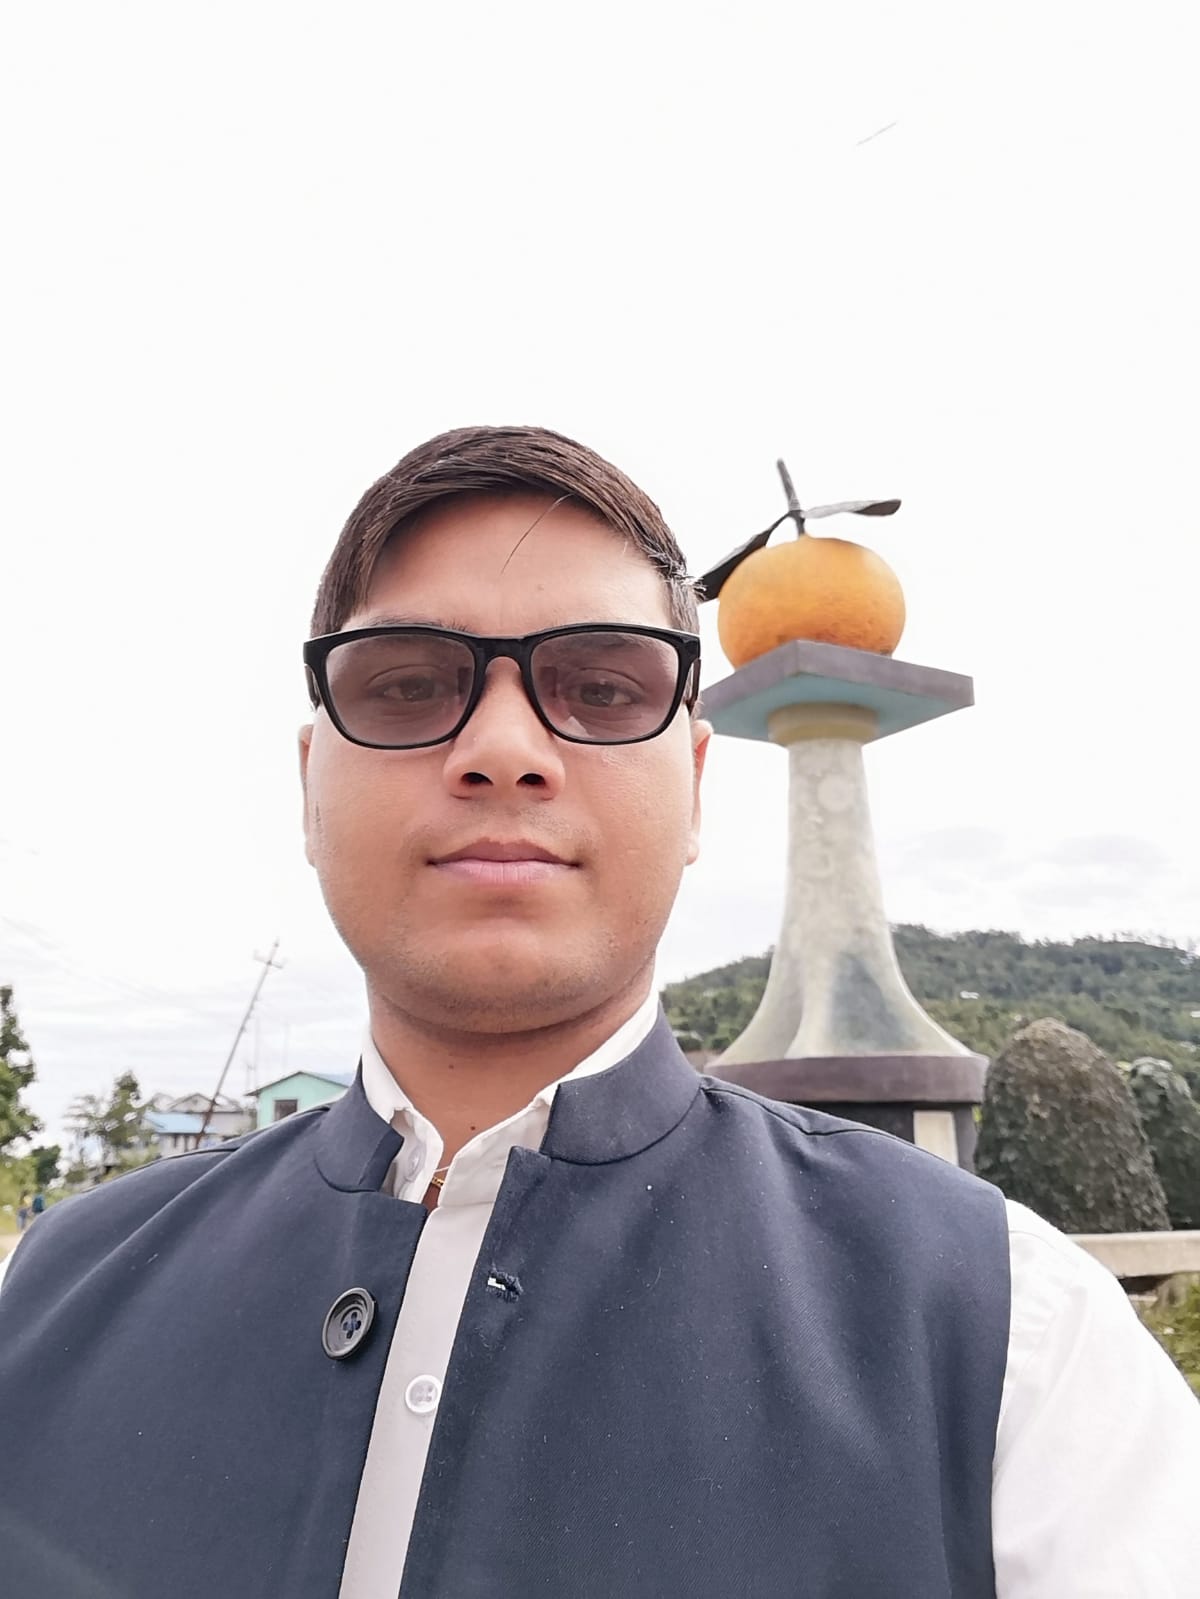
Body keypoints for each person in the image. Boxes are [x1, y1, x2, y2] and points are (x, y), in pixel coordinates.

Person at [0, 425, 1197, 1597]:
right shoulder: (55, 1297)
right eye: (408, 685)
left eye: (606, 688)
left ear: (694, 785)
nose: (503, 748)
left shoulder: (1013, 1342)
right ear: (312, 784)